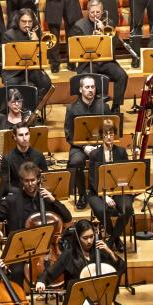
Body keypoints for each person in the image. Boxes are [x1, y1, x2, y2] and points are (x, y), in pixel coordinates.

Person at [0, 160, 71, 244]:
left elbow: (67, 217)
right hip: (21, 244)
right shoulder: (12, 200)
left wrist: (54, 201)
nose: (30, 184)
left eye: (32, 180)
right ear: (22, 181)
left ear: (38, 179)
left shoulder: (46, 198)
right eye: (26, 181)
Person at [69, 0, 128, 113]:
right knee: (87, 80)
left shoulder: (109, 23)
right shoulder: (79, 25)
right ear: (87, 12)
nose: (95, 15)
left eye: (98, 12)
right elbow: (77, 49)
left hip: (106, 61)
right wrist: (93, 37)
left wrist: (105, 33)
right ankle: (91, 106)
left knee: (122, 75)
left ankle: (116, 106)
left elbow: (115, 45)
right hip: (87, 63)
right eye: (92, 12)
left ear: (102, 12)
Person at [65, 75, 107, 208]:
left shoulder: (103, 107)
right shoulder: (72, 109)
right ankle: (82, 194)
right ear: (80, 89)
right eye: (87, 87)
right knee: (76, 161)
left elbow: (110, 128)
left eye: (93, 87)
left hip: (100, 144)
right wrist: (84, 147)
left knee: (106, 156)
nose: (90, 90)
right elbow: (69, 134)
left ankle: (99, 192)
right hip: (79, 146)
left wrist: (102, 143)